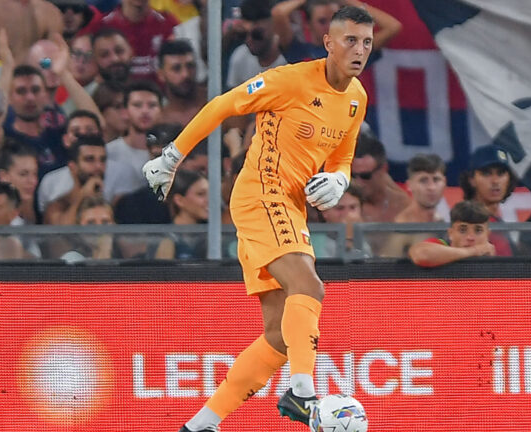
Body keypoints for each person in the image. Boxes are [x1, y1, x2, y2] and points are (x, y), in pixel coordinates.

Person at [142, 6, 372, 431]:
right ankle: (302, 396)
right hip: (260, 196)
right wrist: (171, 157)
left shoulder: (357, 98)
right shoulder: (289, 80)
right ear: (329, 42)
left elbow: (343, 157)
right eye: (350, 40)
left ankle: (200, 425)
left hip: (290, 207)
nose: (359, 50)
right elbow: (224, 104)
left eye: (366, 42)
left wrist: (340, 181)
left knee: (280, 337)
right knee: (309, 286)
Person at [272, 0, 400, 65]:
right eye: (322, 21)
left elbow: (393, 27)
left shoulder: (352, 52)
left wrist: (347, 1)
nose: (330, 26)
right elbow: (278, 13)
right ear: (308, 24)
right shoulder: (298, 51)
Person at [409, 200, 495, 267]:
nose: (470, 237)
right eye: (463, 230)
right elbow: (421, 254)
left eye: (478, 230)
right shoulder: (441, 245)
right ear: (451, 233)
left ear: (487, 234)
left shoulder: (495, 255)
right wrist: (474, 251)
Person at [226, 0, 287, 89]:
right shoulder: (240, 57)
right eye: (243, 35)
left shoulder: (287, 57)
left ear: (272, 26)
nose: (248, 40)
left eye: (256, 34)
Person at [350, 133, 409, 222]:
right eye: (353, 176)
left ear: (383, 169)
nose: (359, 182)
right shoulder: (342, 207)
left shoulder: (403, 205)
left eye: (365, 176)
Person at [153, 169, 209, 259]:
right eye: (201, 194)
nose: (209, 200)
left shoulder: (210, 235)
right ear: (179, 200)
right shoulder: (167, 240)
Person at [157, 39, 206, 126]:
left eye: (190, 66)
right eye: (176, 68)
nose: (185, 74)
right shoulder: (156, 117)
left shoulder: (215, 102)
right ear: (161, 74)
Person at [0, 138, 39, 224]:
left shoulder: (36, 210)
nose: (32, 181)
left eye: (35, 174)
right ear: (3, 176)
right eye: (23, 174)